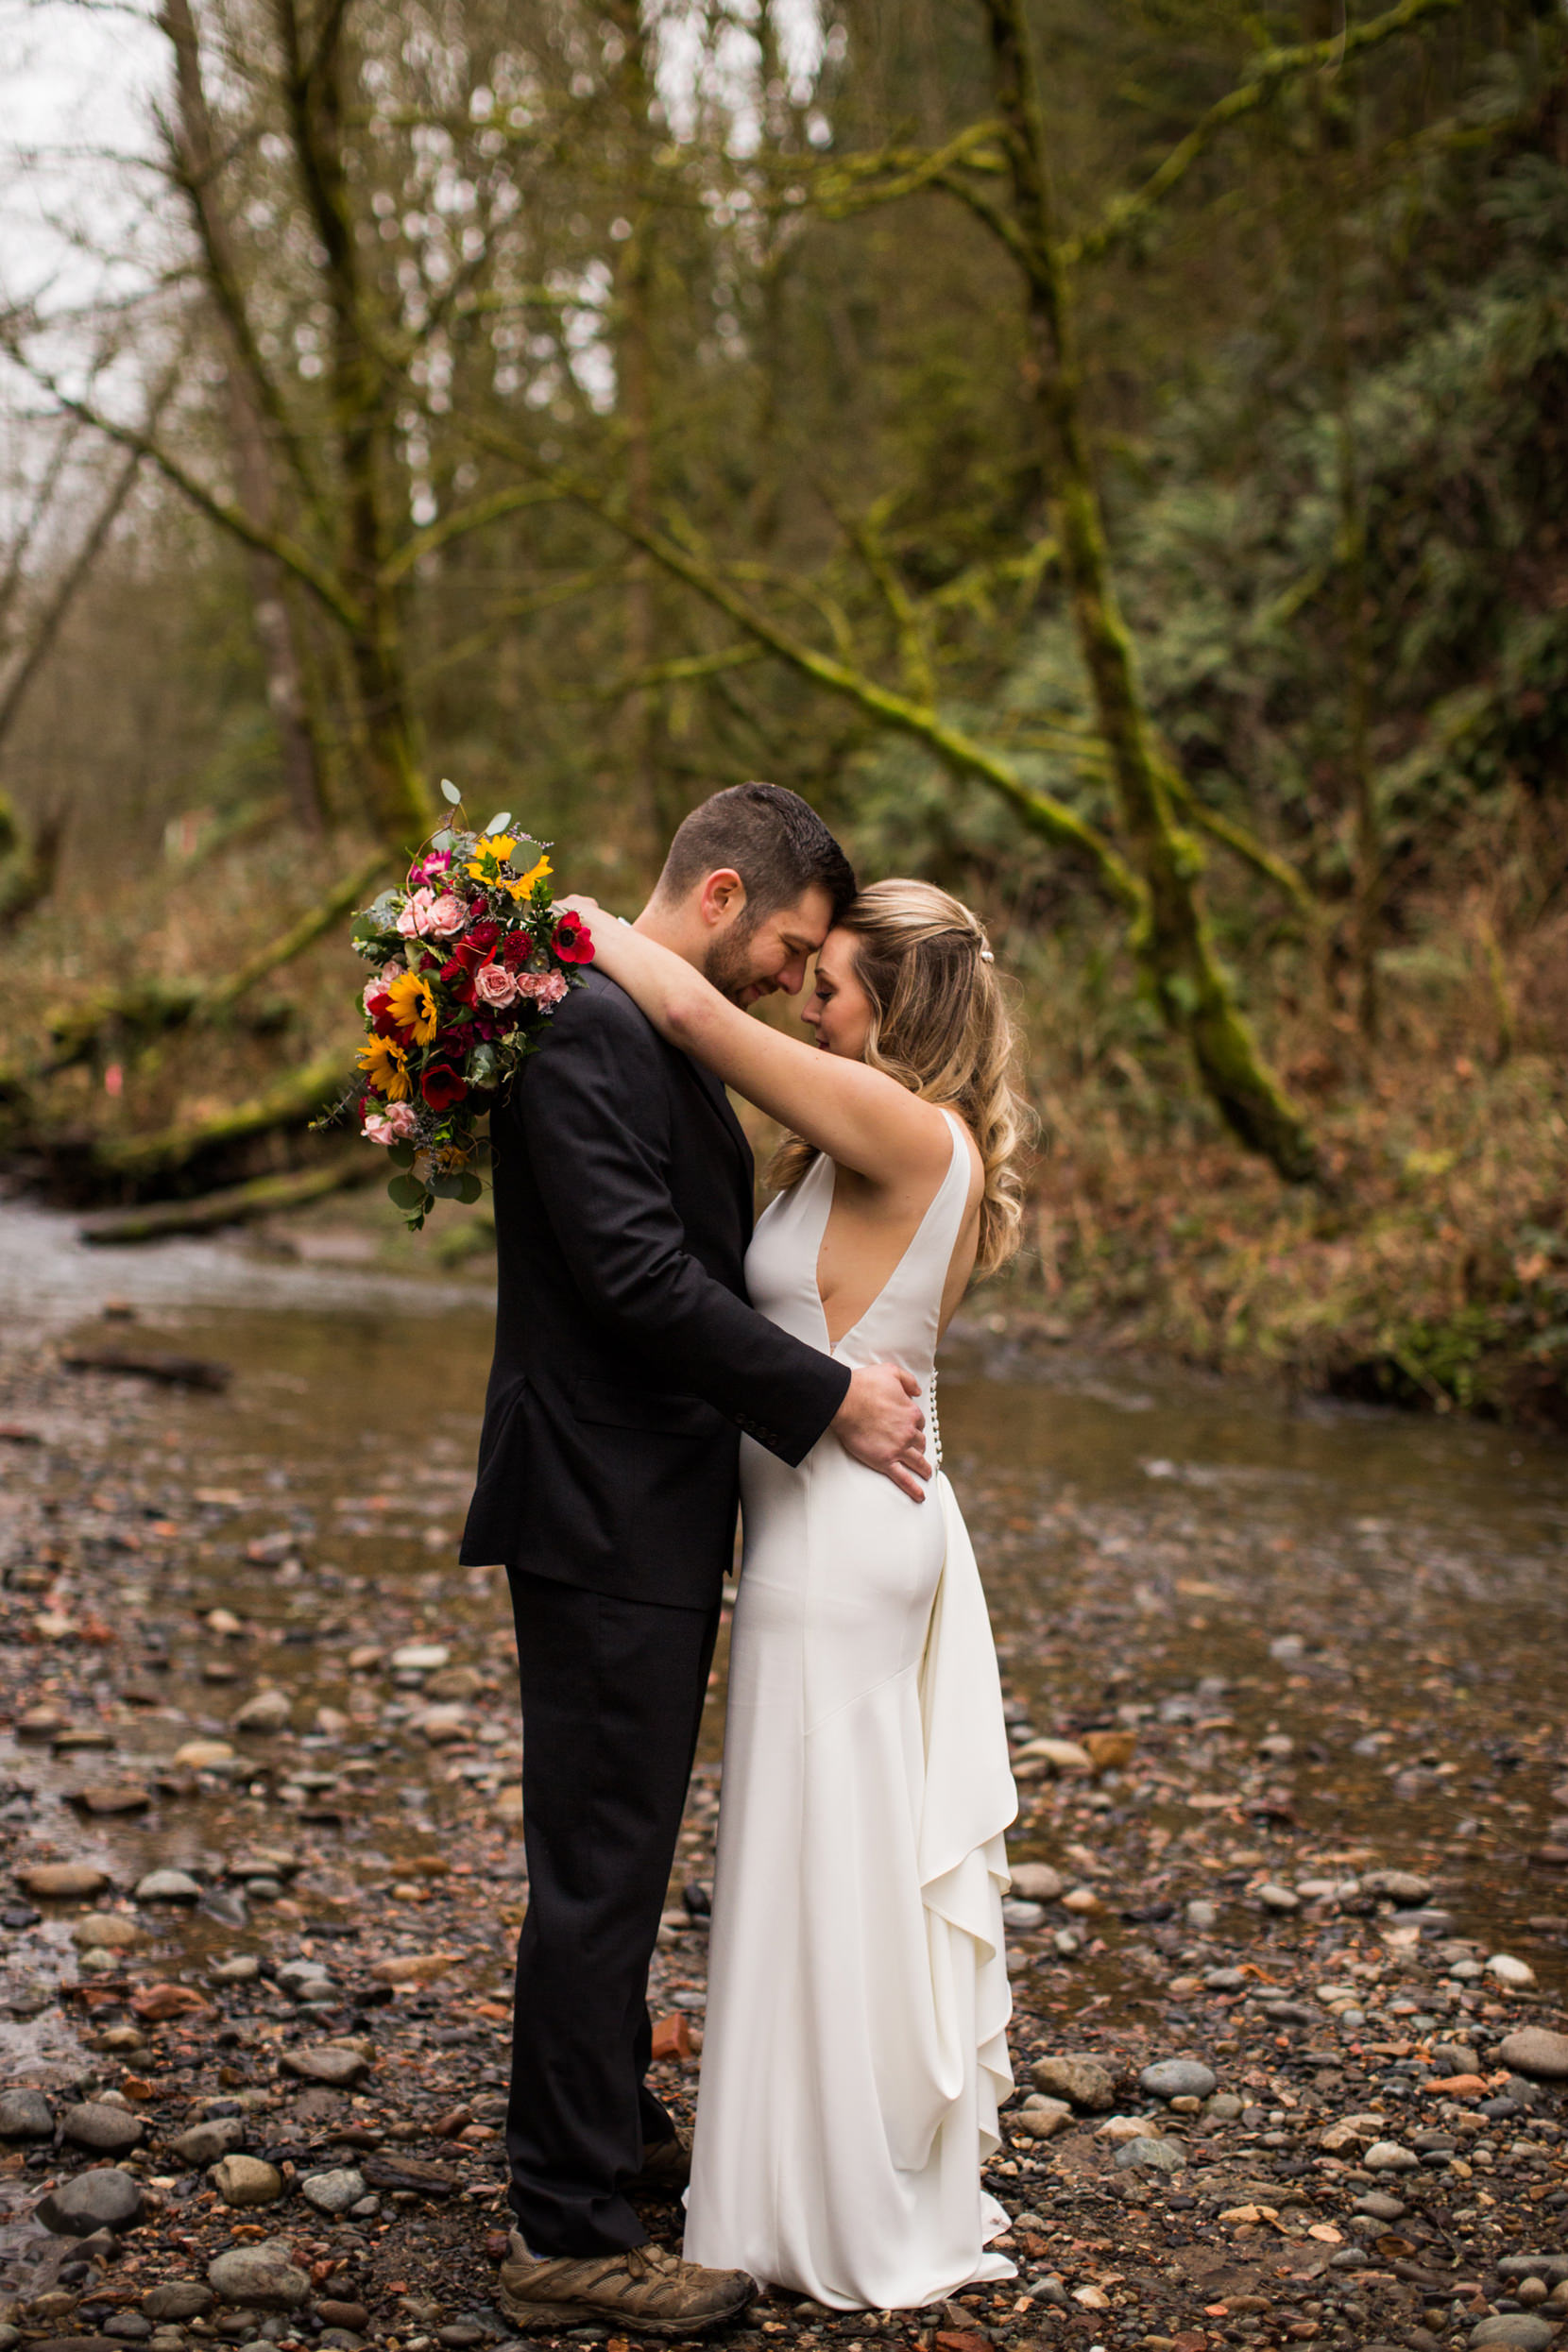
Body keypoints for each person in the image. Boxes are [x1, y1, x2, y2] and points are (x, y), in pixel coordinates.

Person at [460, 785, 933, 2338]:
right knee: (598, 1864)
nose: (798, 977)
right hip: (600, 1504)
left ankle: (603, 2135)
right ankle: (568, 2230)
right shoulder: (593, 1028)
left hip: (635, 1501)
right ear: (721, 894)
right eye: (793, 944)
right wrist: (829, 1394)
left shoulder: (629, 1021)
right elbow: (639, 1274)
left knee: (616, 1847)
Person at [548, 875, 1026, 2311]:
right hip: (829, 1531)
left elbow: (691, 1007)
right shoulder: (859, 1134)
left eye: (832, 981)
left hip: (844, 1540)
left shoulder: (902, 1128)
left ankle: (822, 2200)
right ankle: (798, 2171)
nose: (808, 998)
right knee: (815, 1854)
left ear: (900, 1002)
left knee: (822, 1856)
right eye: (808, 975)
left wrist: (548, 916)